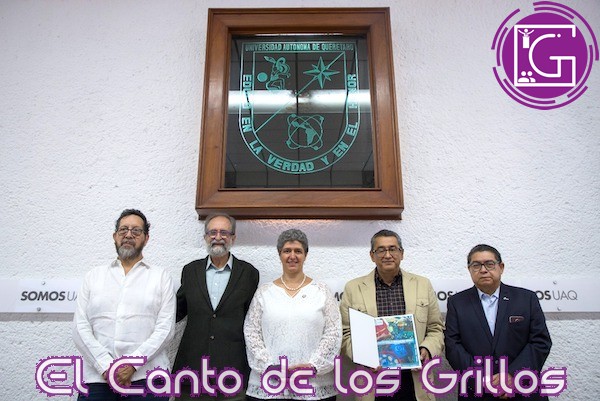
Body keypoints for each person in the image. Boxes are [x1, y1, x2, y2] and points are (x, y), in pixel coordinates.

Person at [73, 209, 175, 400]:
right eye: (123, 230)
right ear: (115, 236)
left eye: (136, 231)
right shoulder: (93, 276)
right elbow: (80, 327)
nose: (128, 235)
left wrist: (132, 364)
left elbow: (166, 329)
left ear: (146, 238)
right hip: (97, 378)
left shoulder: (161, 277)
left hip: (147, 377)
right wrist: (106, 367)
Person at [340, 229, 444, 401]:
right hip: (372, 378)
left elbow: (436, 328)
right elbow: (346, 333)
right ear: (372, 256)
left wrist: (426, 349)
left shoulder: (422, 284)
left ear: (401, 253)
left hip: (414, 378)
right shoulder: (353, 288)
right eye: (381, 250)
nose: (387, 255)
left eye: (393, 249)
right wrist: (365, 357)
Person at [244, 228, 342, 401]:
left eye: (298, 251)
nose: (292, 256)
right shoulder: (264, 292)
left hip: (313, 385)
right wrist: (269, 366)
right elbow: (251, 332)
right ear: (279, 254)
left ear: (306, 255)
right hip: (270, 384)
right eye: (287, 251)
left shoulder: (321, 292)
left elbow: (333, 332)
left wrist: (313, 366)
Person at [444, 244, 552, 401]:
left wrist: (512, 375)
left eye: (489, 264)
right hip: (478, 390)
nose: (483, 270)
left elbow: (540, 341)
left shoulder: (526, 299)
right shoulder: (457, 303)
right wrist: (482, 379)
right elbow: (452, 345)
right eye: (476, 265)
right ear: (469, 270)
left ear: (501, 267)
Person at [173, 212, 260, 401]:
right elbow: (176, 312)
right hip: (192, 370)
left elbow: (252, 320)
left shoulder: (249, 273)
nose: (218, 237)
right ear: (205, 237)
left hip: (233, 370)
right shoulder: (190, 271)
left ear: (233, 238)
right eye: (212, 232)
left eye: (224, 232)